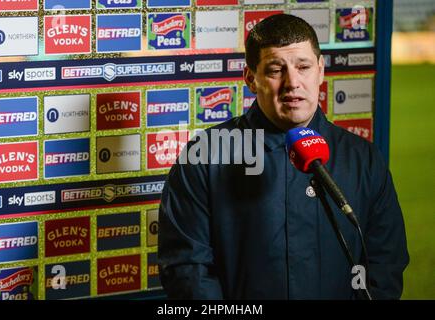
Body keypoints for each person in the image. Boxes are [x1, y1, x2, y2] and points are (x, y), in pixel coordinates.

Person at [158, 13, 409, 299]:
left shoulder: (362, 157)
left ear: (321, 70)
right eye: (276, 70)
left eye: (303, 67)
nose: (293, 82)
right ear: (251, 79)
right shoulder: (205, 156)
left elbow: (385, 263)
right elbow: (187, 270)